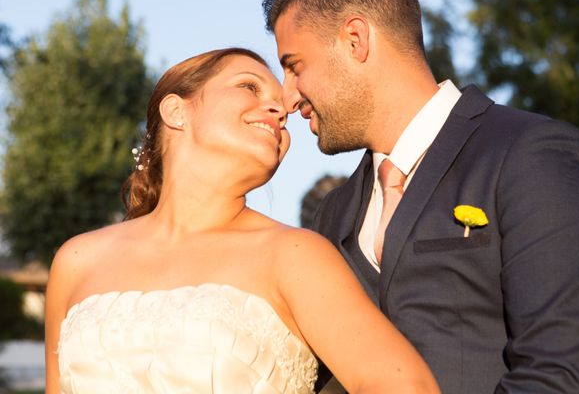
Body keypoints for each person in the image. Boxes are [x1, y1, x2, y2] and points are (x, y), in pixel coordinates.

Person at [263, 0, 579, 393]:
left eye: (294, 65)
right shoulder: (333, 214)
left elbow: (563, 376)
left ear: (356, 39)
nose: (287, 96)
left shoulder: (531, 154)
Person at [44, 48, 441, 394]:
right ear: (176, 111)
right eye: (249, 87)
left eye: (283, 111)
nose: (280, 112)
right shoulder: (77, 260)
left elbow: (405, 384)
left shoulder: (295, 254)